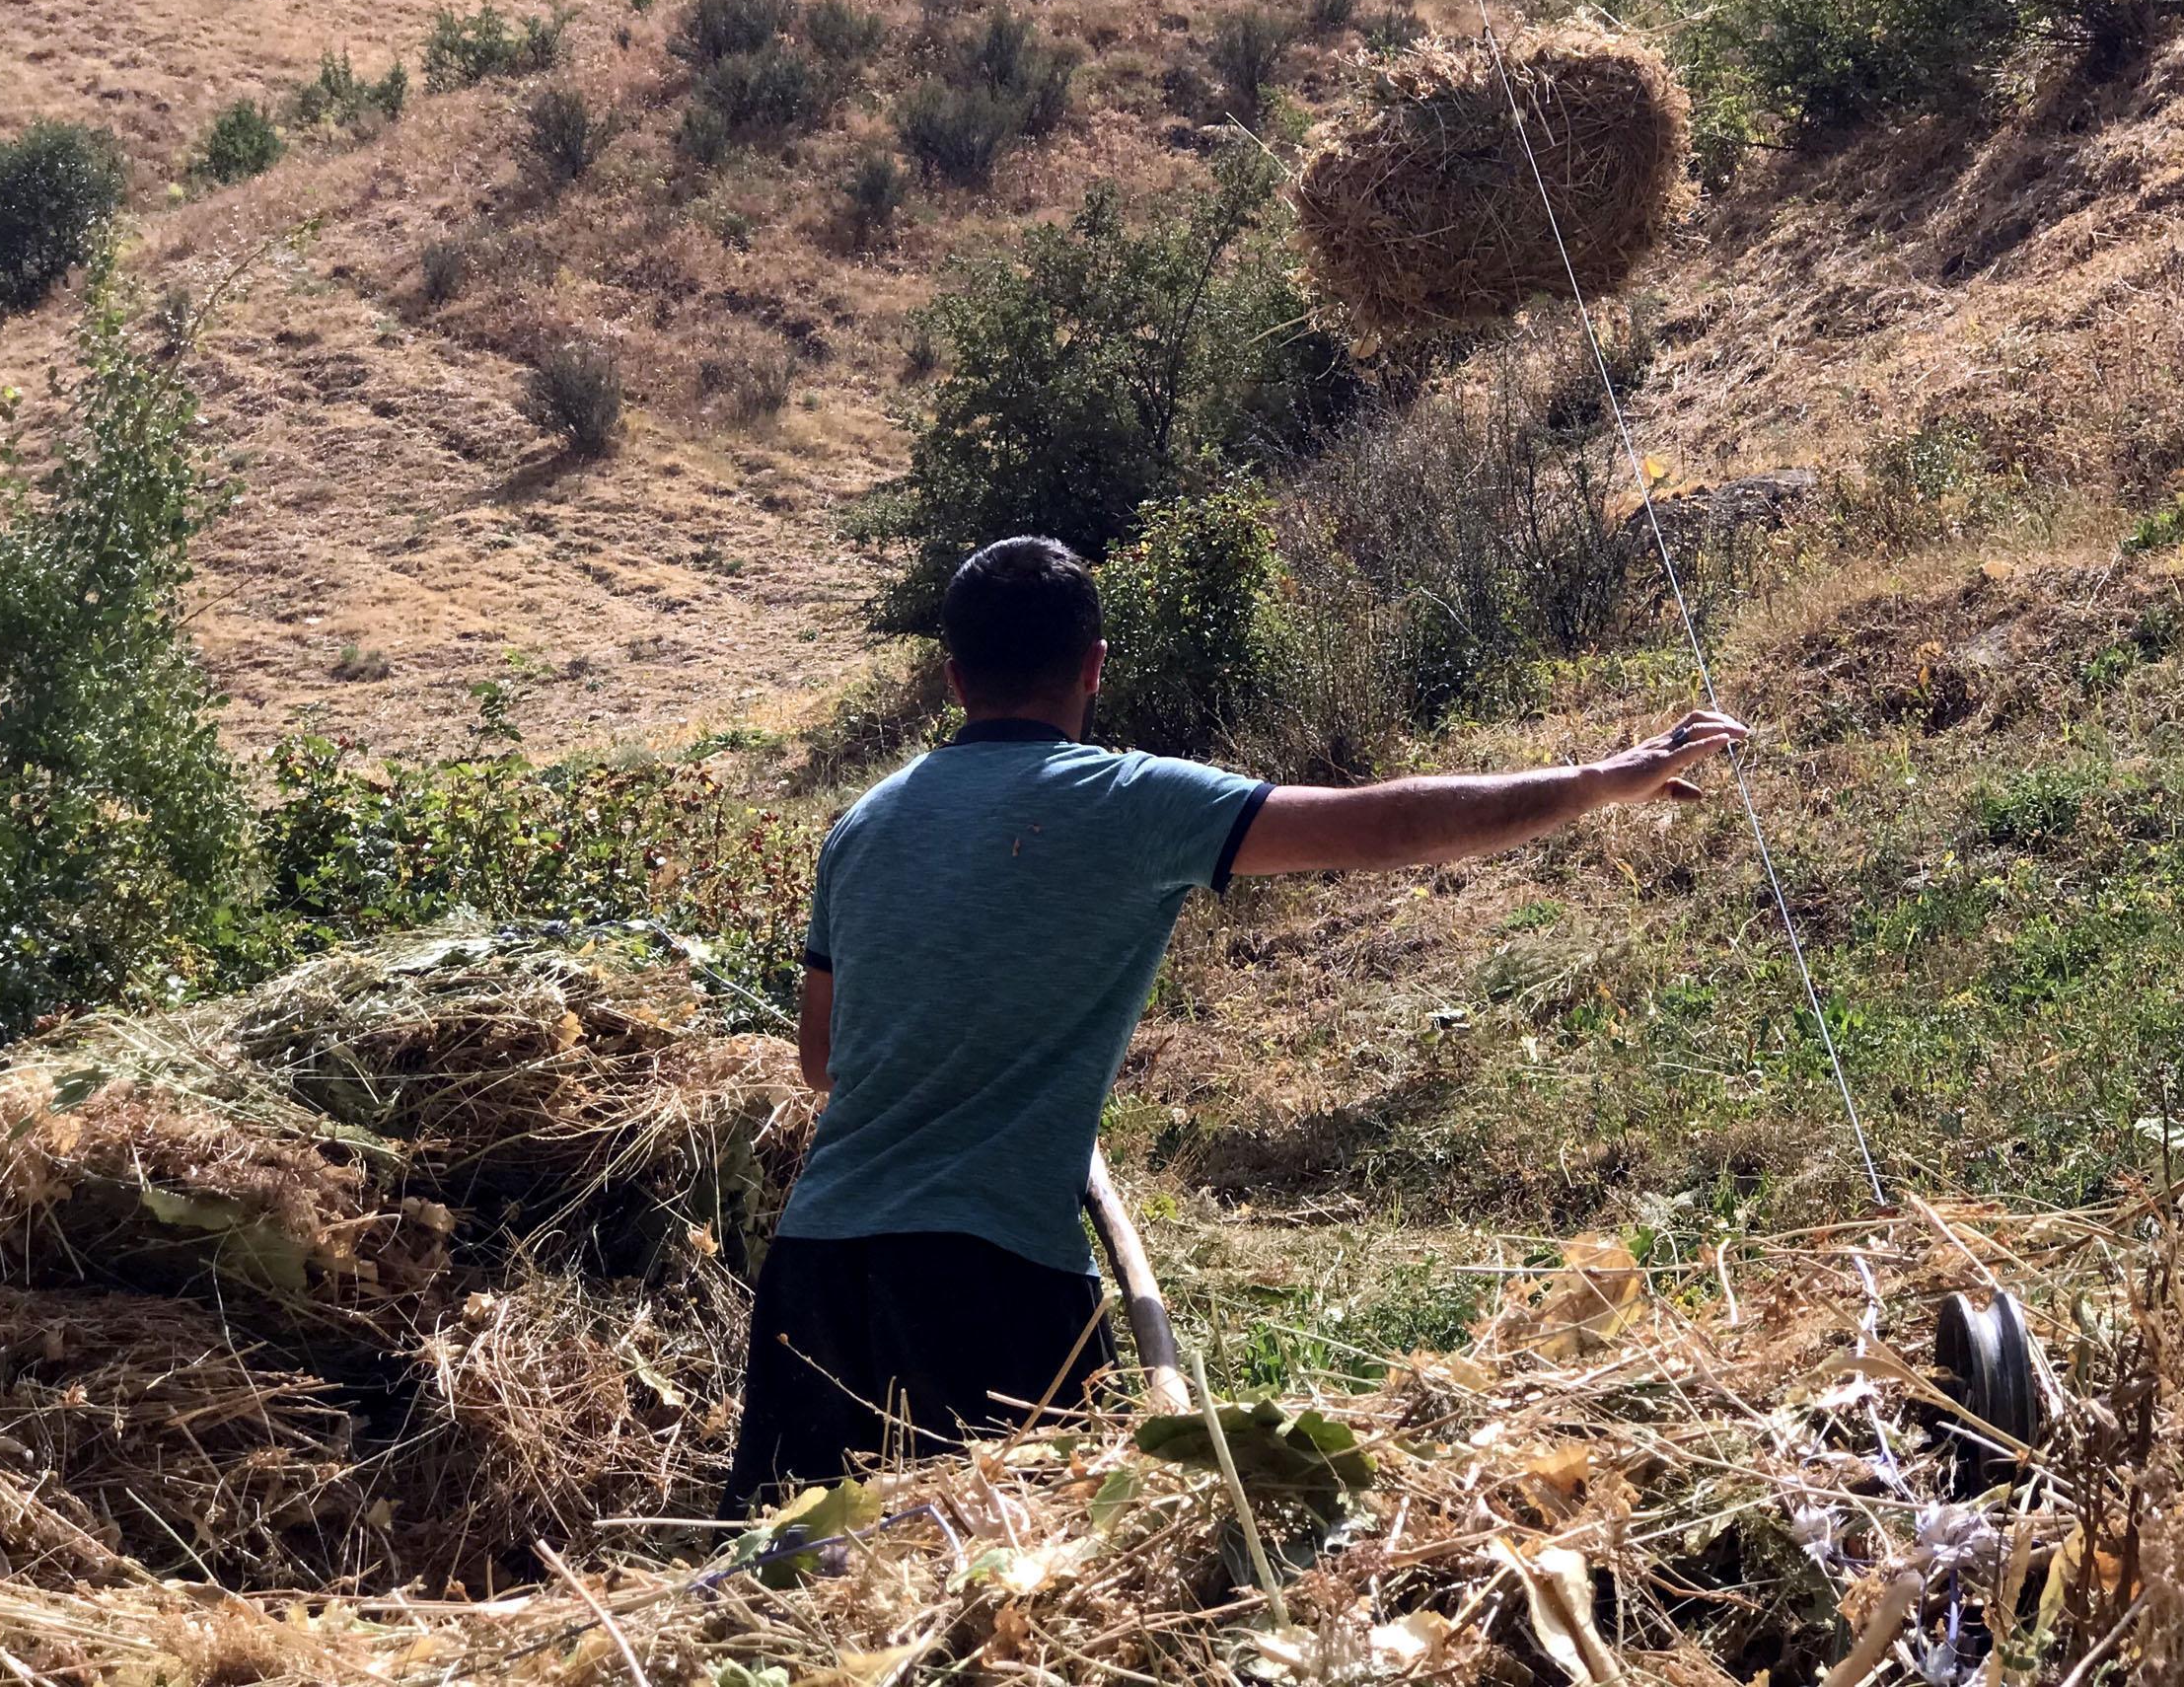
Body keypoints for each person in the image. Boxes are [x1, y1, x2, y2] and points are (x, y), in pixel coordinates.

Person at [724, 534, 1745, 1504]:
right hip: (989, 1277)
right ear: (1095, 667)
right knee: (1016, 1611)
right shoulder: (1129, 802)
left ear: (952, 678)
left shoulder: (859, 829)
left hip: (814, 1268)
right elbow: (1385, 823)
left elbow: (823, 1062)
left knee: (794, 1593)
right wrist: (1593, 782)